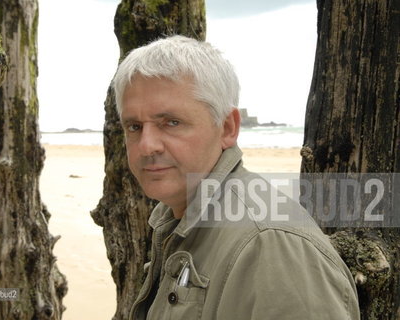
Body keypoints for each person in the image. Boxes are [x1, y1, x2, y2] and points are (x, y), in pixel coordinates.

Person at [113, 35, 360, 320]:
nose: (147, 145)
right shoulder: (181, 217)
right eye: (134, 127)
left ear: (228, 128)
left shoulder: (270, 245)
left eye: (171, 122)